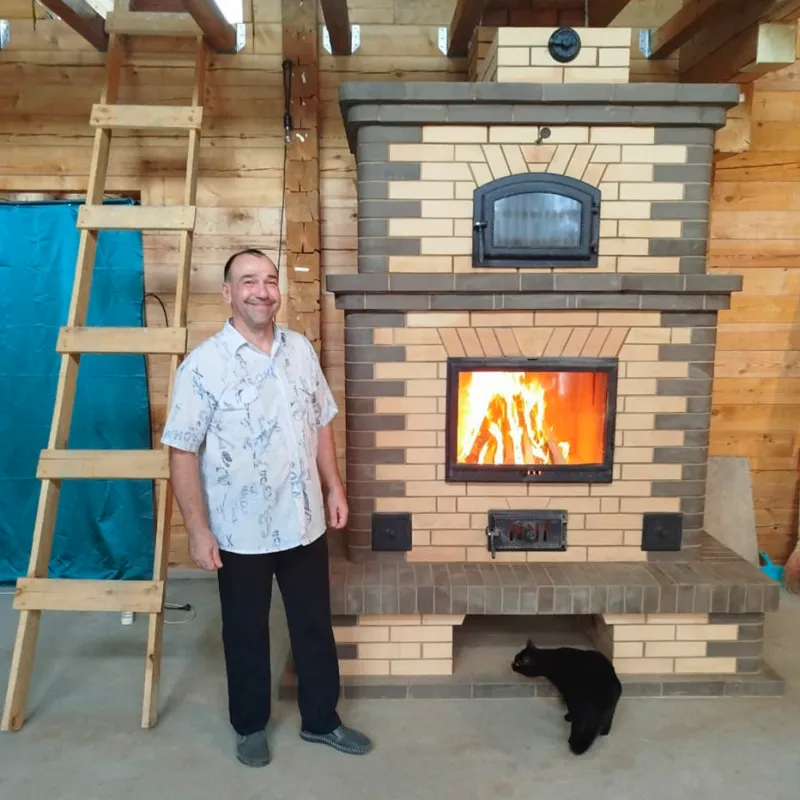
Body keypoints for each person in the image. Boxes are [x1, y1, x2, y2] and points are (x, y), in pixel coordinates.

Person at [160, 248, 373, 767]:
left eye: (270, 280)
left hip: (304, 522)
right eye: (249, 280)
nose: (262, 290)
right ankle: (250, 725)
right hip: (240, 532)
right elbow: (182, 450)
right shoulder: (202, 366)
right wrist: (198, 530)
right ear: (227, 293)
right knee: (246, 633)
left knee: (313, 626)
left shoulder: (299, 350)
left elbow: (320, 421)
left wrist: (334, 487)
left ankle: (321, 720)